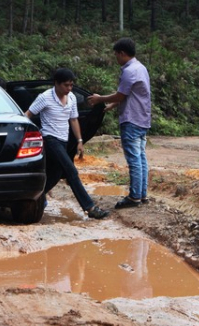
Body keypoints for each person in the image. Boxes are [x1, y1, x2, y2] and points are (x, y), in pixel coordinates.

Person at [25, 68, 110, 219]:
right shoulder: (44, 97)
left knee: (56, 174)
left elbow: (74, 119)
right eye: (66, 85)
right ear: (56, 84)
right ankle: (90, 208)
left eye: (71, 85)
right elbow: (28, 115)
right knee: (71, 171)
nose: (69, 88)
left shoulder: (71, 98)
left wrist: (79, 141)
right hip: (49, 139)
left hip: (63, 140)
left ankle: (32, 197)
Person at [88, 38, 151, 209]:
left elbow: (121, 95)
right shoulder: (141, 68)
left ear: (122, 53)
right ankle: (142, 194)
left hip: (131, 119)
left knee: (134, 159)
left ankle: (134, 197)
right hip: (142, 119)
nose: (116, 58)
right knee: (141, 157)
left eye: (116, 55)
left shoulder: (129, 71)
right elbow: (129, 94)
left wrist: (100, 99)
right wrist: (111, 106)